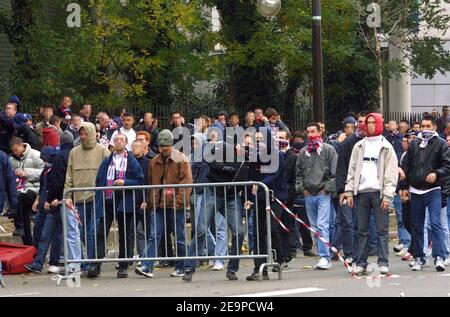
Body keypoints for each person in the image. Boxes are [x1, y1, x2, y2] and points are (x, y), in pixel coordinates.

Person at [345, 113, 399, 275]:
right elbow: (352, 170)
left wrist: (388, 195)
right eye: (367, 122)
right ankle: (361, 261)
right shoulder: (359, 146)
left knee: (382, 229)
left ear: (380, 124)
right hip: (361, 193)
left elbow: (391, 172)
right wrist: (348, 191)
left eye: (373, 122)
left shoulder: (386, 146)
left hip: (379, 193)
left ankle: (383, 261)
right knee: (361, 229)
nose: (369, 125)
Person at [136, 130, 193, 279]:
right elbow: (151, 183)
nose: (163, 149)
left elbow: (186, 183)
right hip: (158, 205)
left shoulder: (181, 160)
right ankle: (147, 266)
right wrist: (149, 202)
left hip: (175, 205)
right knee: (154, 235)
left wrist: (179, 202)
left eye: (166, 147)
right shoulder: (154, 162)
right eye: (161, 147)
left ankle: (182, 266)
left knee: (179, 236)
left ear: (171, 145)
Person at [400, 116, 450, 272]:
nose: (425, 129)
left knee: (436, 223)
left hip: (433, 189)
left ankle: (440, 257)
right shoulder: (414, 144)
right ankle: (419, 257)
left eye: (428, 126)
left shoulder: (441, 144)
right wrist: (403, 187)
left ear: (434, 127)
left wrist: (436, 173)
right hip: (416, 190)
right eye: (423, 126)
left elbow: (447, 165)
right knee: (417, 226)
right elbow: (406, 167)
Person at [92, 133, 144, 278]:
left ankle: (123, 266)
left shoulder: (132, 161)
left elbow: (140, 180)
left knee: (125, 235)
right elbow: (99, 179)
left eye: (122, 140)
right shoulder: (107, 161)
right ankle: (96, 265)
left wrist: (125, 182)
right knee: (101, 232)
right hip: (108, 202)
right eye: (116, 140)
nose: (119, 142)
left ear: (126, 142)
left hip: (125, 203)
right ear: (113, 143)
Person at [64, 122, 110, 277]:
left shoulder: (103, 150)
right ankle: (84, 262)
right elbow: (69, 176)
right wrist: (68, 195)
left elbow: (108, 174)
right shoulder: (74, 152)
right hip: (78, 199)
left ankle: (91, 264)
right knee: (81, 233)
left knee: (92, 232)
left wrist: (106, 195)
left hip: (96, 198)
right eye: (80, 134)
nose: (82, 136)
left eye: (85, 134)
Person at [295, 122, 337, 270]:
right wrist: (302, 189)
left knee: (322, 225)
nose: (311, 134)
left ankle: (325, 257)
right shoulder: (303, 152)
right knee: (314, 227)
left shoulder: (328, 150)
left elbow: (334, 172)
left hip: (323, 193)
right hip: (308, 194)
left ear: (320, 132)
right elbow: (298, 173)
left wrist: (327, 189)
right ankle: (322, 255)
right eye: (309, 132)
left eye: (314, 131)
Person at [9, 137, 44, 245]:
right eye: (13, 151)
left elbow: (44, 172)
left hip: (33, 189)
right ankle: (27, 243)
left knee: (21, 200)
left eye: (16, 150)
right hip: (19, 189)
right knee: (23, 215)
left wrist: (27, 173)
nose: (15, 153)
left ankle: (19, 225)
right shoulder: (11, 160)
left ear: (21, 145)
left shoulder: (35, 155)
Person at [131, 139, 150, 258]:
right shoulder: (128, 162)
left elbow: (150, 182)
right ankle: (140, 254)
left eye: (137, 146)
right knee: (133, 231)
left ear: (143, 148)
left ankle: (146, 256)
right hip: (131, 200)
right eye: (133, 147)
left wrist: (147, 200)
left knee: (146, 230)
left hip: (144, 201)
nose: (134, 149)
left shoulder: (148, 163)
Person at [0, 149, 18, 222]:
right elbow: (10, 181)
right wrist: (14, 204)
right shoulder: (2, 156)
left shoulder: (2, 156)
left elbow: (10, 180)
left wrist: (14, 204)